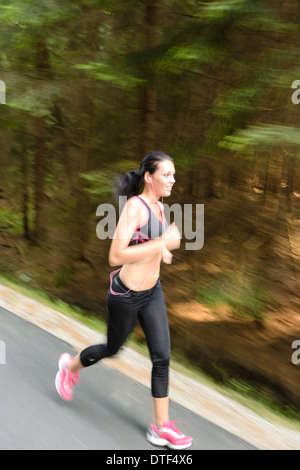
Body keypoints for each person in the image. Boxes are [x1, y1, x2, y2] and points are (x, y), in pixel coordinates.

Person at [55, 151, 193, 450]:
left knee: (162, 357)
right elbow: (115, 256)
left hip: (152, 293)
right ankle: (70, 366)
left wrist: (164, 251)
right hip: (126, 296)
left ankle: (161, 428)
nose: (172, 180)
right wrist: (162, 243)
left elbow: (147, 244)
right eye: (166, 174)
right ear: (149, 177)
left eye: (173, 174)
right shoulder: (135, 207)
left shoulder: (159, 206)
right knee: (112, 349)